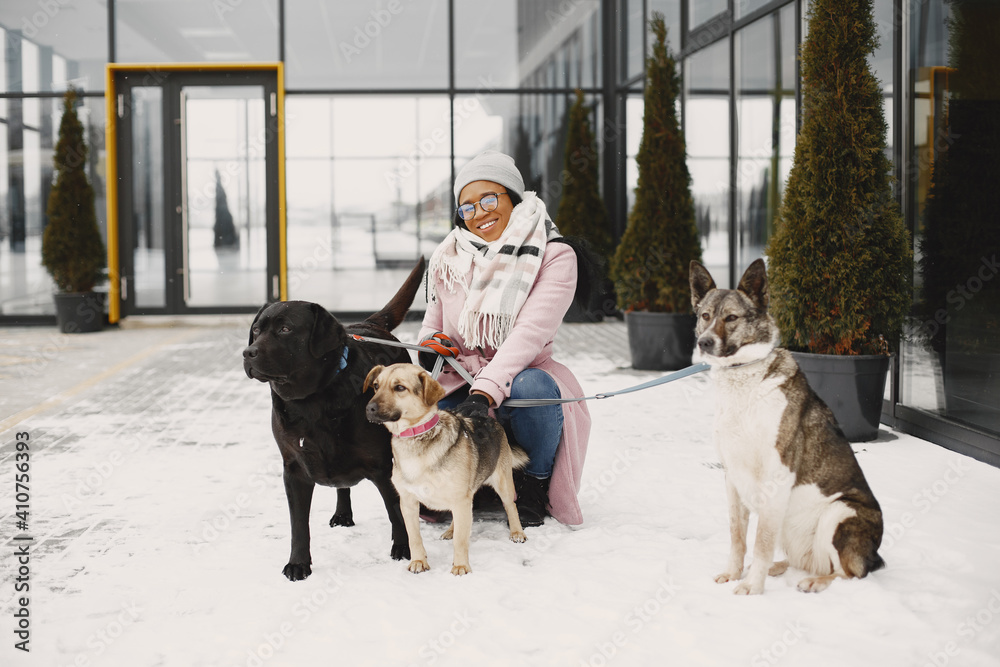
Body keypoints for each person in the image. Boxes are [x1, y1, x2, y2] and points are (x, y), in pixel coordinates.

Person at [418, 150, 593, 527]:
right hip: (461, 378)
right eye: (467, 207)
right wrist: (430, 345)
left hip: (523, 375)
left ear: (513, 198)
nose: (479, 213)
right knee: (435, 426)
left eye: (488, 199)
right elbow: (432, 321)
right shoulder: (448, 255)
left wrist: (485, 391)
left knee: (532, 388)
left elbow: (529, 334)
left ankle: (534, 482)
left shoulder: (554, 255)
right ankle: (473, 485)